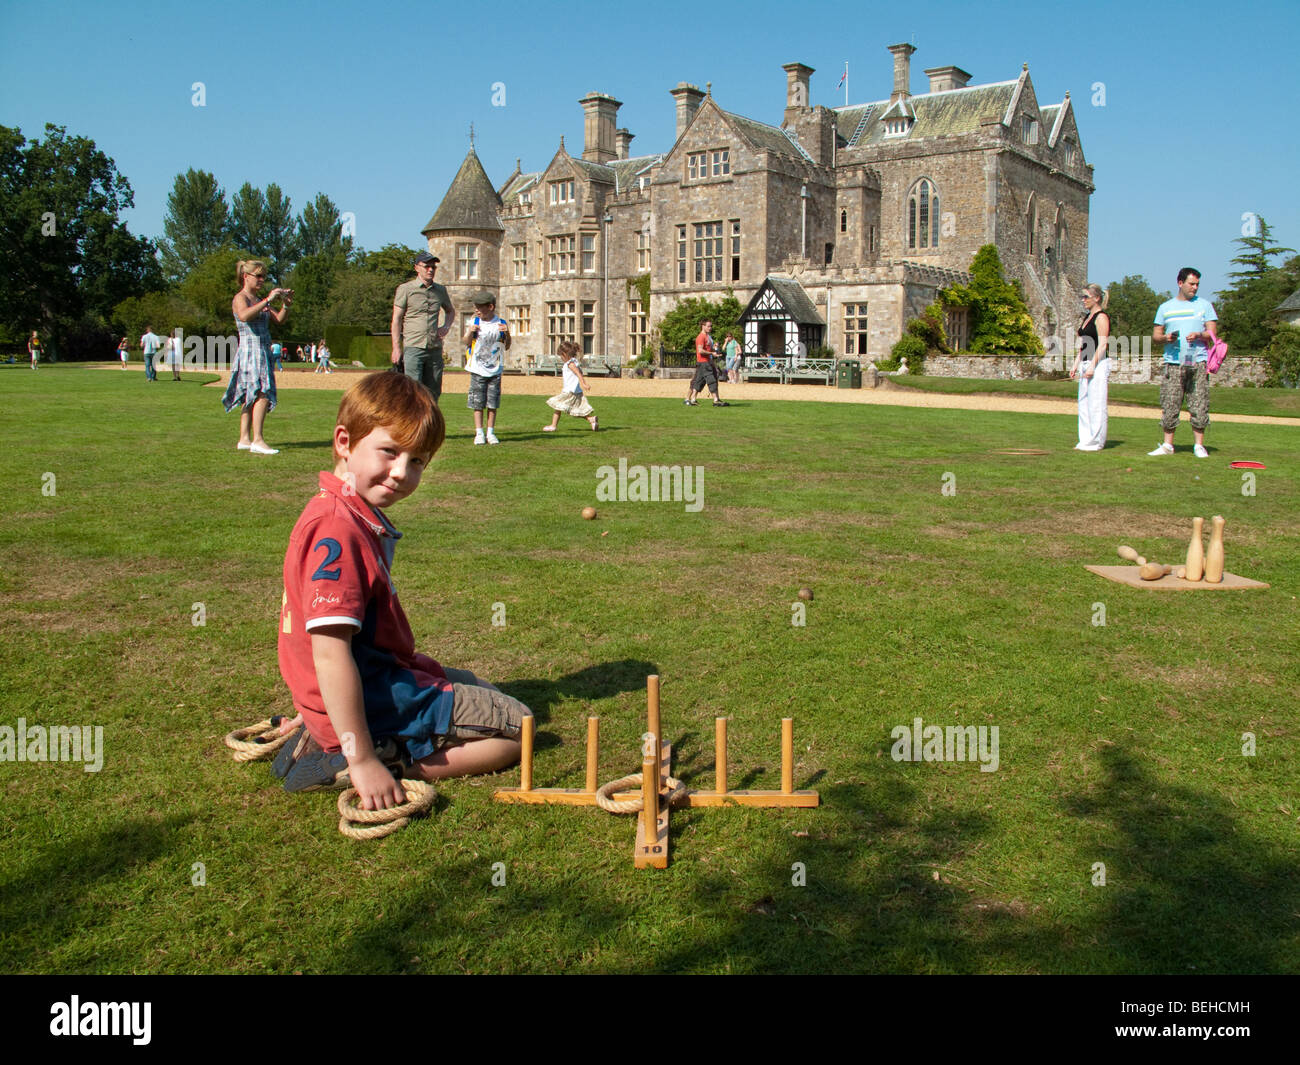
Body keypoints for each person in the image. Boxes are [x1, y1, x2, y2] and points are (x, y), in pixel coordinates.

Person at [275, 372, 532, 807]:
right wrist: (361, 762)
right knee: (518, 728)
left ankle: (334, 733)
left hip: (379, 674)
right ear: (344, 441)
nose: (401, 473)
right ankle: (381, 758)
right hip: (377, 693)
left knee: (486, 688)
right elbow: (328, 652)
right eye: (390, 452)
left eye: (417, 461)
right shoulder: (337, 531)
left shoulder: (340, 508)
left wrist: (309, 707)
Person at [223, 259, 292, 455]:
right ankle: (258, 440)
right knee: (262, 392)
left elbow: (278, 319)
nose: (262, 280)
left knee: (250, 395)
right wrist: (268, 300)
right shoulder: (241, 298)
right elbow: (244, 316)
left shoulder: (258, 299)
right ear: (246, 276)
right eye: (258, 276)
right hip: (250, 350)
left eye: (264, 276)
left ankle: (244, 439)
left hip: (261, 350)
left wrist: (286, 305)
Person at [1149, 267, 1218, 458]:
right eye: (1191, 284)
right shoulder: (1165, 307)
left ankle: (1199, 446)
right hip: (1173, 362)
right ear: (1180, 283)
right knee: (1170, 403)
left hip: (1198, 362)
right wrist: (1166, 338)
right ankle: (1168, 445)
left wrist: (1199, 335)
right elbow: (1156, 335)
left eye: (1197, 284)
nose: (1195, 288)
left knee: (1199, 403)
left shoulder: (1205, 306)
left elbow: (1212, 334)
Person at [392, 252, 455, 400]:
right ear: (416, 268)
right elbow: (396, 319)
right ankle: (412, 423)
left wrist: (446, 326)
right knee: (412, 391)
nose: (431, 270)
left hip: (434, 348)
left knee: (433, 393)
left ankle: (431, 422)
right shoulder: (406, 289)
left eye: (433, 267)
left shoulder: (440, 290)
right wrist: (396, 348)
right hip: (414, 347)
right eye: (426, 266)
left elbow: (450, 311)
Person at [463, 291, 509, 444]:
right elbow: (466, 342)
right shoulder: (475, 321)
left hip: (495, 368)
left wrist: (507, 334)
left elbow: (506, 346)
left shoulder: (500, 323)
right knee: (478, 403)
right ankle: (479, 433)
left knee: (492, 402)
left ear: (490, 307)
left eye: (479, 307)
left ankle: (491, 432)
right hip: (477, 368)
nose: (476, 310)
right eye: (475, 307)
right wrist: (471, 331)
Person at [1069, 283, 1111, 451]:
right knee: (1084, 403)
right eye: (1082, 296)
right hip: (1086, 363)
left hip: (1098, 364)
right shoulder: (1086, 318)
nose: (1083, 300)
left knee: (1096, 403)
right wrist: (1075, 364)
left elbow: (1102, 344)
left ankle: (1097, 441)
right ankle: (1085, 439)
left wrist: (1093, 365)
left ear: (1097, 298)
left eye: (1086, 296)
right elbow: (1084, 344)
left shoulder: (1101, 317)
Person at [543, 340, 598, 432]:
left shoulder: (570, 364)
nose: (561, 358)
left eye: (561, 355)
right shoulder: (574, 362)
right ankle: (591, 420)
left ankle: (553, 426)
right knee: (575, 410)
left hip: (569, 391)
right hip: (575, 391)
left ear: (565, 354)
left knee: (557, 405)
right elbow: (579, 372)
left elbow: (578, 374)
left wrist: (583, 383)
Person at [686, 319, 728, 406]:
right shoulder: (701, 337)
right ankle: (716, 400)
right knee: (711, 380)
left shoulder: (707, 337)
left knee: (699, 381)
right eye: (708, 326)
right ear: (703, 326)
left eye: (711, 326)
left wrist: (714, 353)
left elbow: (709, 349)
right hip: (703, 362)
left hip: (708, 362)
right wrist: (711, 353)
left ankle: (692, 399)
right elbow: (700, 351)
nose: (710, 328)